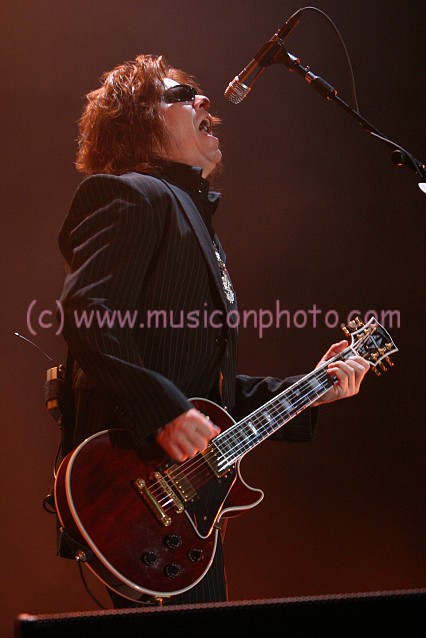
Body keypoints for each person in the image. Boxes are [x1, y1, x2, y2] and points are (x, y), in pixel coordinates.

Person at [56, 53, 369, 608]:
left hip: (183, 509)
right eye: (180, 95)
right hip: (134, 488)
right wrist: (164, 413)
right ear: (139, 123)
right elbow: (88, 311)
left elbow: (207, 395)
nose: (204, 100)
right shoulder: (131, 193)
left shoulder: (194, 221)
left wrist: (313, 388)